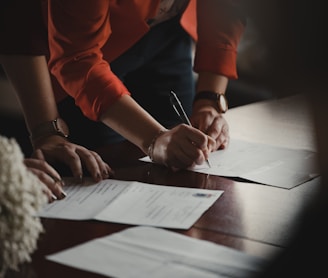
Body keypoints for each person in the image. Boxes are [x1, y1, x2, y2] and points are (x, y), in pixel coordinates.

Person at [33, 0, 245, 170]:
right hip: (91, 54)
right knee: (106, 170)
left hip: (169, 30)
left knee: (184, 157)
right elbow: (78, 60)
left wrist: (209, 101)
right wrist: (154, 139)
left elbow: (227, 10)